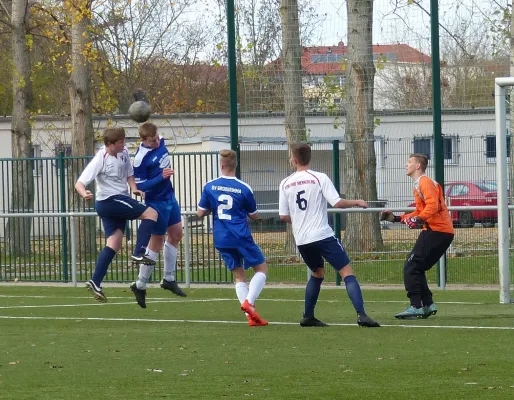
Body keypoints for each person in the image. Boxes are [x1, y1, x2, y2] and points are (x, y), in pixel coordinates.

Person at [279, 143, 380, 328]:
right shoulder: (319, 178)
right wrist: (357, 201)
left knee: (317, 273)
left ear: (293, 160)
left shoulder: (285, 183)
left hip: (302, 239)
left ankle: (308, 316)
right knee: (346, 272)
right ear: (310, 158)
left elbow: (283, 216)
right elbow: (337, 203)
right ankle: (362, 315)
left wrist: (301, 219)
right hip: (322, 234)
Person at [75, 127, 158, 302]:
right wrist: (84, 193)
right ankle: (139, 252)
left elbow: (129, 174)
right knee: (151, 214)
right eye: (120, 142)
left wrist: (134, 189)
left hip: (118, 200)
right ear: (110, 144)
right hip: (109, 201)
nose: (124, 144)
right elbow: (80, 183)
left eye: (123, 141)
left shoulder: (124, 152)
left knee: (115, 242)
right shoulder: (100, 159)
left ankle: (95, 281)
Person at [197, 149, 268, 327]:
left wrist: (212, 207)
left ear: (221, 165)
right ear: (235, 165)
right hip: (240, 236)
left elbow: (200, 213)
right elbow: (254, 215)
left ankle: (251, 318)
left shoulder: (210, 186)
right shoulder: (244, 188)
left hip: (221, 237)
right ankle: (249, 303)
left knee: (239, 277)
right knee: (261, 269)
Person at [381, 153, 454, 319]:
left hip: (437, 231)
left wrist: (419, 219)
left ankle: (415, 306)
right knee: (417, 267)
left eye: (409, 162)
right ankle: (427, 304)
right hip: (439, 231)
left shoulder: (424, 182)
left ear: (418, 166)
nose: (406, 165)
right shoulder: (419, 184)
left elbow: (432, 206)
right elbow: (420, 211)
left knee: (411, 265)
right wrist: (397, 218)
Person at [129, 122, 187, 308]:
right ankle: (140, 284)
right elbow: (139, 186)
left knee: (177, 234)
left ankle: (168, 278)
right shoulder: (140, 159)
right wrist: (159, 177)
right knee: (156, 242)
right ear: (143, 140)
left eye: (157, 138)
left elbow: (154, 130)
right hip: (155, 203)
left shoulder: (159, 140)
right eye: (152, 140)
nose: (156, 141)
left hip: (170, 197)